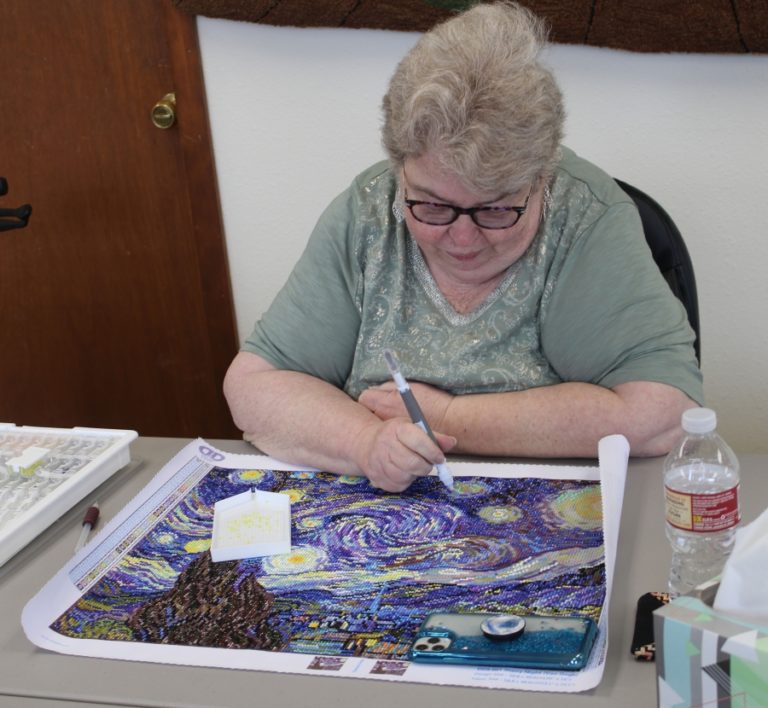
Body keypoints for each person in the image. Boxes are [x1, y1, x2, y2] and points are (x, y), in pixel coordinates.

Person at [224, 1, 703, 492]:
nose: (461, 238)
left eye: (494, 210)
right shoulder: (369, 210)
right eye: (432, 207)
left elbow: (664, 414)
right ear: (400, 169)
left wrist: (451, 416)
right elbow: (255, 386)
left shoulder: (585, 218)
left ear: (543, 175)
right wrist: (365, 444)